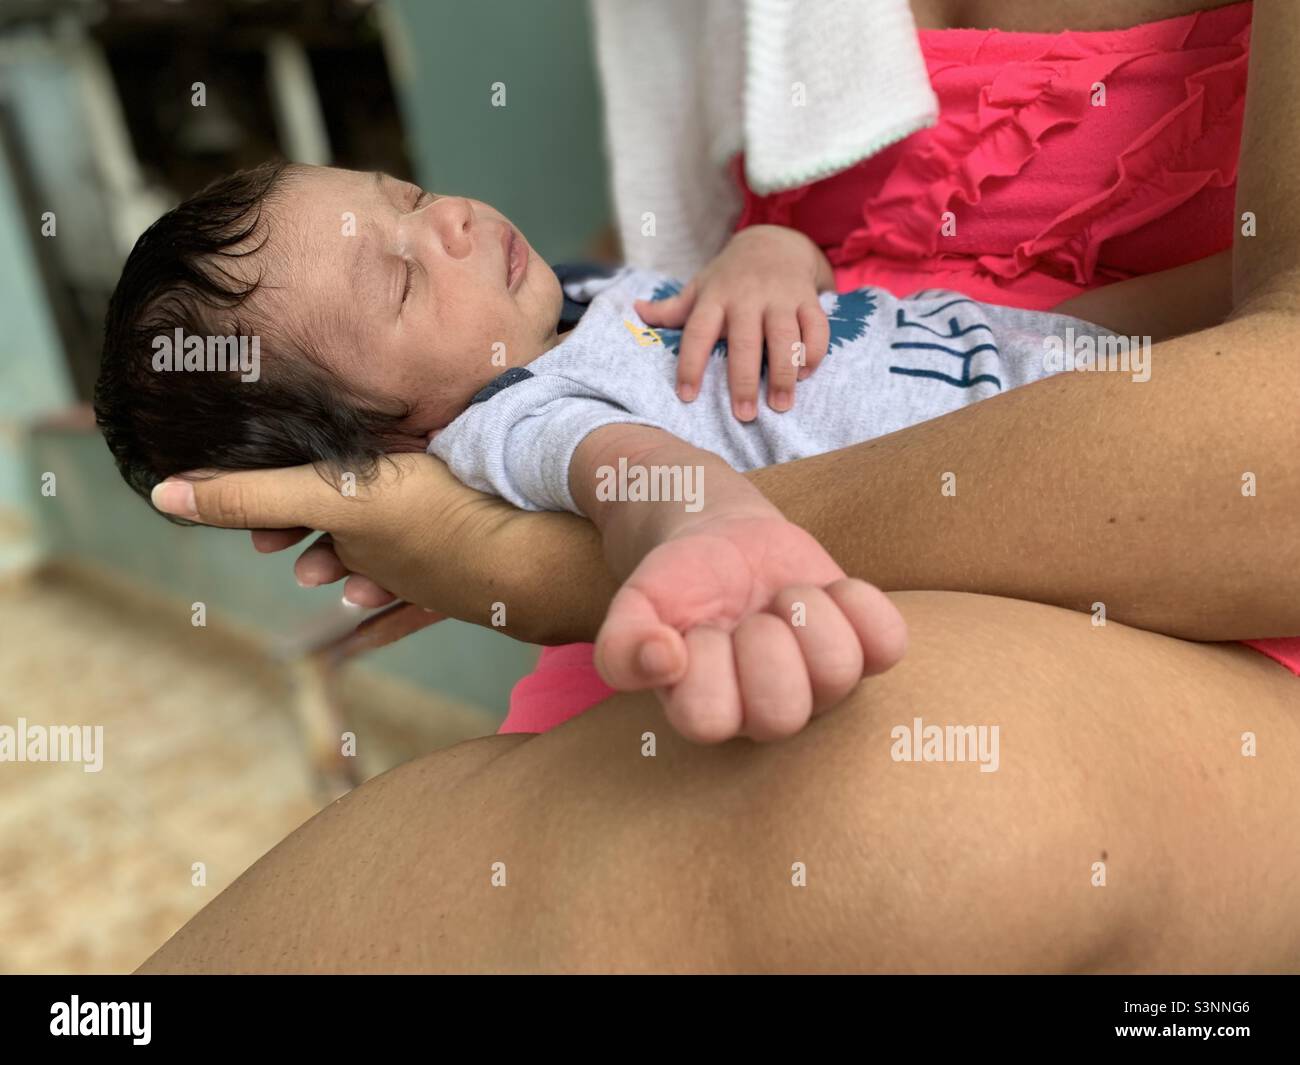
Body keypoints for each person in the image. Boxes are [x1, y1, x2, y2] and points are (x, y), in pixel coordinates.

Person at [141, 0, 1300, 971]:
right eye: (398, 278)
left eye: (399, 192)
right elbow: (631, 469)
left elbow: (748, 274)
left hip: (1080, 398)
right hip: (1012, 444)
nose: (443, 219)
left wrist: (770, 254)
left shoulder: (584, 302)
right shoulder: (521, 416)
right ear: (395, 436)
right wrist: (698, 532)